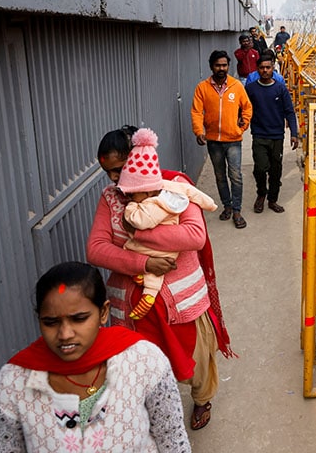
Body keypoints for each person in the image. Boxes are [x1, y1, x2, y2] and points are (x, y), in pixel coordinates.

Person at [88, 126, 234, 431]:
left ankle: (202, 398)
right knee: (142, 369)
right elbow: (96, 250)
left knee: (195, 361)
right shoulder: (111, 198)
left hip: (181, 301)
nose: (114, 179)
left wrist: (140, 230)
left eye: (118, 169)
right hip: (133, 307)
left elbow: (195, 235)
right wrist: (144, 262)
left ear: (136, 158)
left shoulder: (175, 186)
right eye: (108, 172)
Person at [0, 261, 191, 452]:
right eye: (50, 322)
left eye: (79, 319)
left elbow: (172, 438)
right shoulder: (14, 383)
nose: (65, 334)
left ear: (104, 312)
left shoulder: (143, 360)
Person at [118, 128, 218, 320]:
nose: (127, 195)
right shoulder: (174, 189)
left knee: (141, 253)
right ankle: (144, 283)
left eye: (132, 193)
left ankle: (148, 291)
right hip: (162, 257)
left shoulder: (154, 203)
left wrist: (131, 217)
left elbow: (196, 237)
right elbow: (193, 193)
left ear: (146, 190)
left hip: (182, 293)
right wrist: (210, 204)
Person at [191, 50, 252, 228]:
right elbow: (196, 111)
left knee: (236, 176)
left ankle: (237, 210)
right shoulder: (202, 87)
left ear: (228, 66)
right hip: (213, 141)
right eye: (218, 65)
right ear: (211, 66)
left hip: (233, 140)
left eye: (224, 65)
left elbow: (247, 108)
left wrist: (242, 126)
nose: (221, 68)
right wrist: (198, 131)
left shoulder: (236, 86)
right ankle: (227, 206)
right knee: (220, 176)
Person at [245, 54, 299, 214]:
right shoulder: (251, 89)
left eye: (268, 67)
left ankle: (272, 200)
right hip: (259, 135)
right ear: (257, 69)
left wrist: (294, 134)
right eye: (262, 68)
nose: (265, 70)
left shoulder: (280, 89)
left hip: (277, 136)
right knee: (260, 168)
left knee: (276, 170)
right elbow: (243, 109)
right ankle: (261, 194)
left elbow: (289, 111)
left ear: (273, 68)